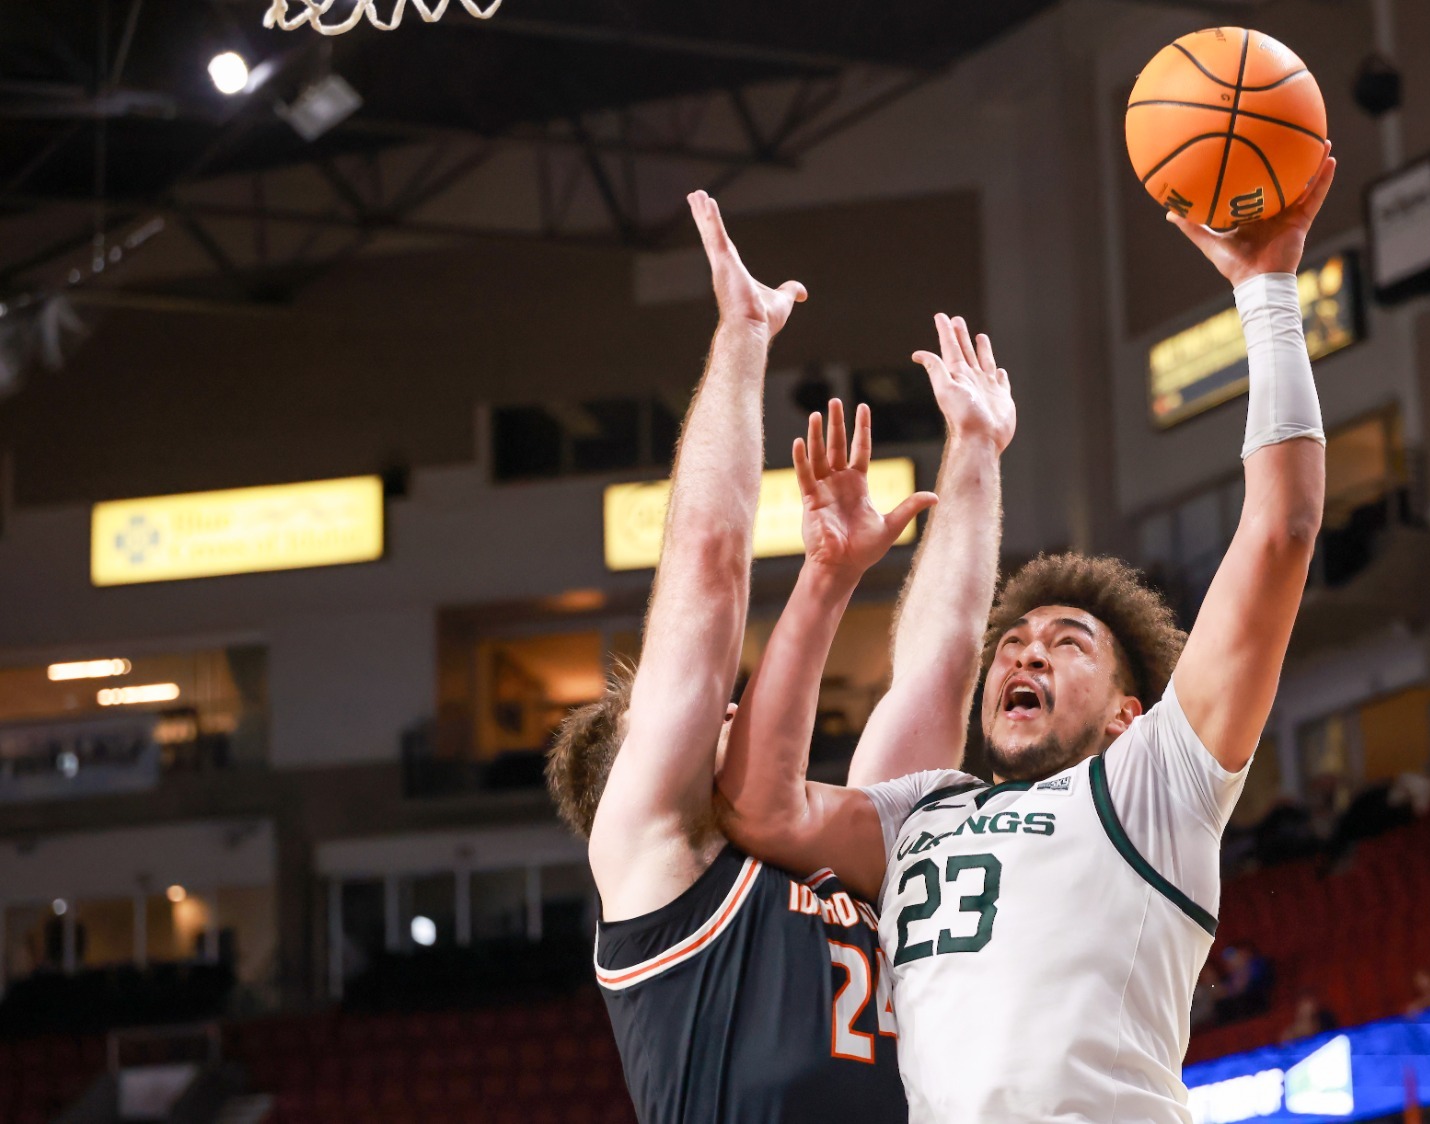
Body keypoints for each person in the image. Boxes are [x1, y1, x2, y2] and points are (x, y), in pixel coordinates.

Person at [718, 155, 1339, 1121]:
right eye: (1015, 642)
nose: (1025, 651)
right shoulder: (924, 812)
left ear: (1129, 714)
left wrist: (1264, 290)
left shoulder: (1152, 785)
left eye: (1068, 642)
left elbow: (1284, 527)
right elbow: (760, 808)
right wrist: (830, 575)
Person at [544, 192, 1007, 1124]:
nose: (718, 707)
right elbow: (710, 571)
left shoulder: (818, 849)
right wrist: (743, 336)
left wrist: (977, 449)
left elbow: (940, 668)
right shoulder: (650, 854)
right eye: (679, 715)